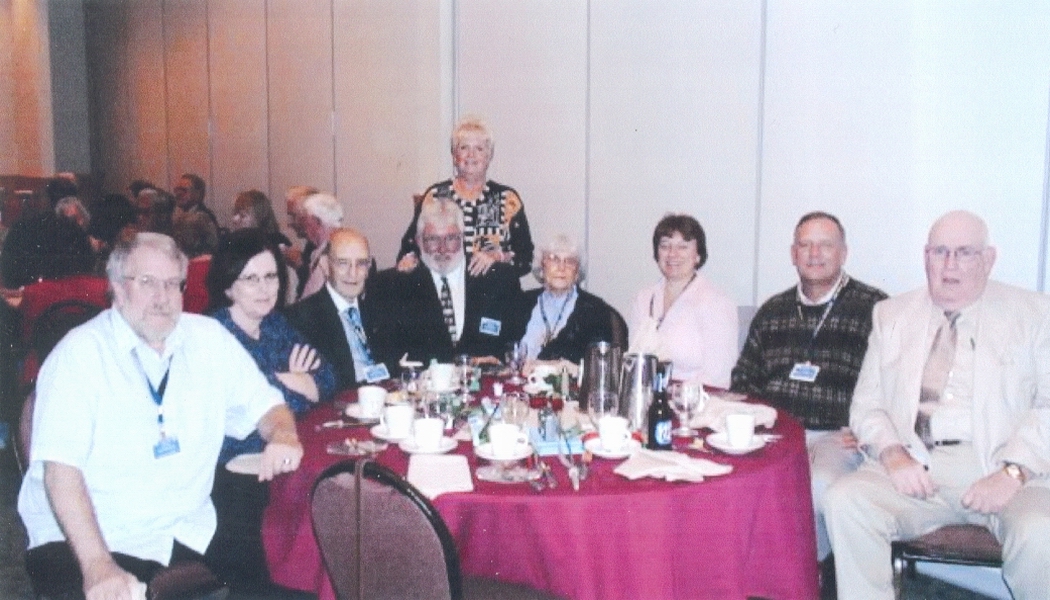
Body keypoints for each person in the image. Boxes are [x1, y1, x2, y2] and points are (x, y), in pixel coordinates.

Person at [17, 232, 303, 599]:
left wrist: (283, 434)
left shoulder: (208, 339)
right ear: (118, 288)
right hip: (90, 536)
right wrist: (98, 567)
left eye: (172, 284)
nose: (162, 297)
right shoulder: (80, 356)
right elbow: (61, 473)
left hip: (185, 524)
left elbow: (267, 405)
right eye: (147, 282)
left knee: (286, 586)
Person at [824, 210, 1050, 599]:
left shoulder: (1035, 315)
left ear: (988, 259)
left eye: (964, 253)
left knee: (1040, 534)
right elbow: (867, 405)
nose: (949, 265)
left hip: (1005, 467)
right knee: (845, 500)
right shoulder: (892, 315)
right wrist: (893, 455)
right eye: (939, 252)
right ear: (925, 256)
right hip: (917, 467)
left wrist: (1013, 473)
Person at [731, 211, 887, 564]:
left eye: (825, 245)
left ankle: (804, 577)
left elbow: (896, 382)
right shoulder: (773, 310)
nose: (814, 253)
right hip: (777, 434)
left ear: (843, 253)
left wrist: (871, 427)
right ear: (793, 254)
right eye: (805, 245)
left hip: (838, 436)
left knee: (817, 486)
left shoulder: (875, 308)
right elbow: (743, 379)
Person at [205, 228, 334, 590]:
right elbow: (248, 415)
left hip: (280, 459)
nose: (265, 288)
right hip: (235, 478)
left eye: (271, 277)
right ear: (229, 285)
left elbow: (327, 376)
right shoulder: (215, 334)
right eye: (251, 279)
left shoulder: (275, 323)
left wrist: (283, 382)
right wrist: (294, 384)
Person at [378, 197, 524, 363]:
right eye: (432, 239)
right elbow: (389, 355)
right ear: (418, 241)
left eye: (450, 238)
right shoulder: (396, 286)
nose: (442, 249)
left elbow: (515, 344)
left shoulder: (498, 279)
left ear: (463, 238)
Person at [396, 116, 534, 277]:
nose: (471, 155)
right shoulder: (434, 196)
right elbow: (410, 247)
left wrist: (498, 256)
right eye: (464, 148)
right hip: (445, 291)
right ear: (454, 156)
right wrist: (410, 259)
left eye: (479, 149)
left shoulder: (507, 199)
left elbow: (526, 259)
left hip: (494, 293)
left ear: (489, 156)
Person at [629, 214, 737, 387]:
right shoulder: (643, 299)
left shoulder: (716, 303)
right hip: (644, 399)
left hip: (696, 403)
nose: (672, 254)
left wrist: (678, 398)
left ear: (698, 255)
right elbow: (634, 363)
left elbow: (719, 377)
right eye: (665, 246)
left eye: (683, 247)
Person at [286, 228, 391, 390]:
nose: (353, 273)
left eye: (361, 263)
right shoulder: (302, 319)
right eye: (343, 263)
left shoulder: (378, 309)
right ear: (326, 266)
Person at [518, 233, 622, 365]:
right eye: (554, 259)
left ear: (577, 272)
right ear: (542, 267)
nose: (561, 268)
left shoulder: (595, 310)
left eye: (570, 261)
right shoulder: (521, 302)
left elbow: (599, 365)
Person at [295, 192, 344, 300]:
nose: (304, 229)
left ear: (317, 222)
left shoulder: (328, 257)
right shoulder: (345, 245)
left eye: (306, 222)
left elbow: (309, 301)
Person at [173, 173, 221, 238]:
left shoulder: (206, 218)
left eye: (184, 190)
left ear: (198, 194)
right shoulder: (173, 215)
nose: (178, 193)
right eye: (177, 190)